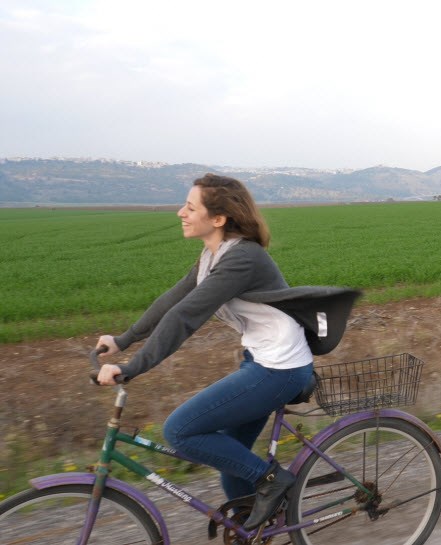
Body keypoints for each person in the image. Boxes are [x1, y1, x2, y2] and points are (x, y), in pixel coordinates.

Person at [95, 173, 358, 531]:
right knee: (231, 464)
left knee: (181, 431)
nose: (180, 213)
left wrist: (130, 368)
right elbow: (173, 301)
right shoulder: (213, 255)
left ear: (218, 219)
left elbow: (186, 317)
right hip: (261, 362)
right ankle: (255, 529)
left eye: (190, 207)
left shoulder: (242, 258)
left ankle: (273, 481)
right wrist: (123, 340)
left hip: (279, 369)